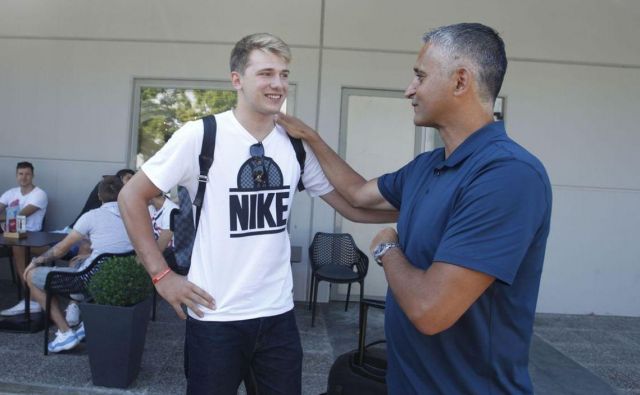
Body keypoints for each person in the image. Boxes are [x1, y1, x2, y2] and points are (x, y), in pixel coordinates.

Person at [276, 23, 552, 394]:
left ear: (460, 82)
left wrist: (387, 248)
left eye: (420, 76)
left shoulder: (507, 175)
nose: (410, 89)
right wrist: (310, 142)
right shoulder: (428, 166)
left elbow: (429, 309)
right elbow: (358, 197)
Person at [118, 33, 396, 394]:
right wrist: (161, 275)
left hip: (277, 316)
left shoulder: (294, 146)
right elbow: (130, 197)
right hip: (216, 316)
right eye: (266, 73)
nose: (277, 84)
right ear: (237, 79)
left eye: (283, 74)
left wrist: (415, 216)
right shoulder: (202, 136)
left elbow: (353, 206)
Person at [23, 176, 133, 353]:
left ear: (98, 195)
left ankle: (65, 332)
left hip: (89, 280)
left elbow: (60, 249)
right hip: (121, 277)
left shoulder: (91, 216)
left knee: (31, 276)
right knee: (77, 262)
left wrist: (36, 261)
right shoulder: (135, 216)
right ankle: (85, 323)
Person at [0, 161, 48, 316]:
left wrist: (4, 218)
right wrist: (5, 218)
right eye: (21, 173)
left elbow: (19, 215)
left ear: (33, 175)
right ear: (16, 175)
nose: (24, 177)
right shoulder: (11, 193)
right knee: (15, 245)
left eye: (27, 174)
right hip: (10, 236)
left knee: (18, 247)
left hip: (32, 237)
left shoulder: (39, 194)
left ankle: (31, 299)